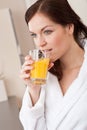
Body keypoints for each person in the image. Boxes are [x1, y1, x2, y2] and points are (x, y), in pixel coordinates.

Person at [19, 0, 87, 129]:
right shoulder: (43, 76)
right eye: (34, 35)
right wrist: (34, 90)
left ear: (69, 27)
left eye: (47, 32)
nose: (40, 43)